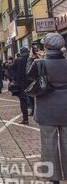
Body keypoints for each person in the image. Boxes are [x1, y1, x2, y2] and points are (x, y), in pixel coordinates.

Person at [26, 33, 67, 184]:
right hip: (65, 108)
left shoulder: (39, 64)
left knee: (48, 143)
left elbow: (28, 76)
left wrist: (31, 58)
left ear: (46, 47)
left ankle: (53, 177)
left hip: (46, 109)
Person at [14, 47, 33, 124]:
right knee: (33, 98)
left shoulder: (18, 60)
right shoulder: (31, 59)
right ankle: (34, 112)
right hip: (31, 82)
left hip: (22, 84)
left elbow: (16, 72)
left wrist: (16, 83)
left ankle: (25, 119)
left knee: (23, 101)